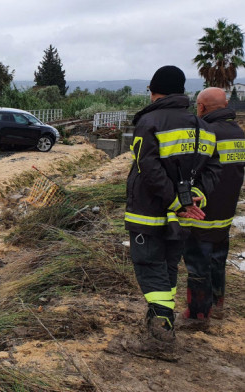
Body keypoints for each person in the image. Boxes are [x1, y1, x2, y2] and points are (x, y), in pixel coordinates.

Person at [124, 65, 220, 359]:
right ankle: (159, 320)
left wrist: (179, 202)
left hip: (149, 215)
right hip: (183, 218)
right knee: (167, 266)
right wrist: (193, 199)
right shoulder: (203, 128)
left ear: (154, 91)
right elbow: (214, 169)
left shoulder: (150, 122)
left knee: (149, 267)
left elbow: (148, 169)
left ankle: (161, 333)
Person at [179, 87, 245, 327]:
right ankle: (217, 304)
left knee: (197, 263)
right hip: (225, 212)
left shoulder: (207, 133)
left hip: (202, 212)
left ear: (202, 107)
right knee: (218, 259)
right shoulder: (238, 133)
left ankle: (197, 314)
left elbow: (194, 169)